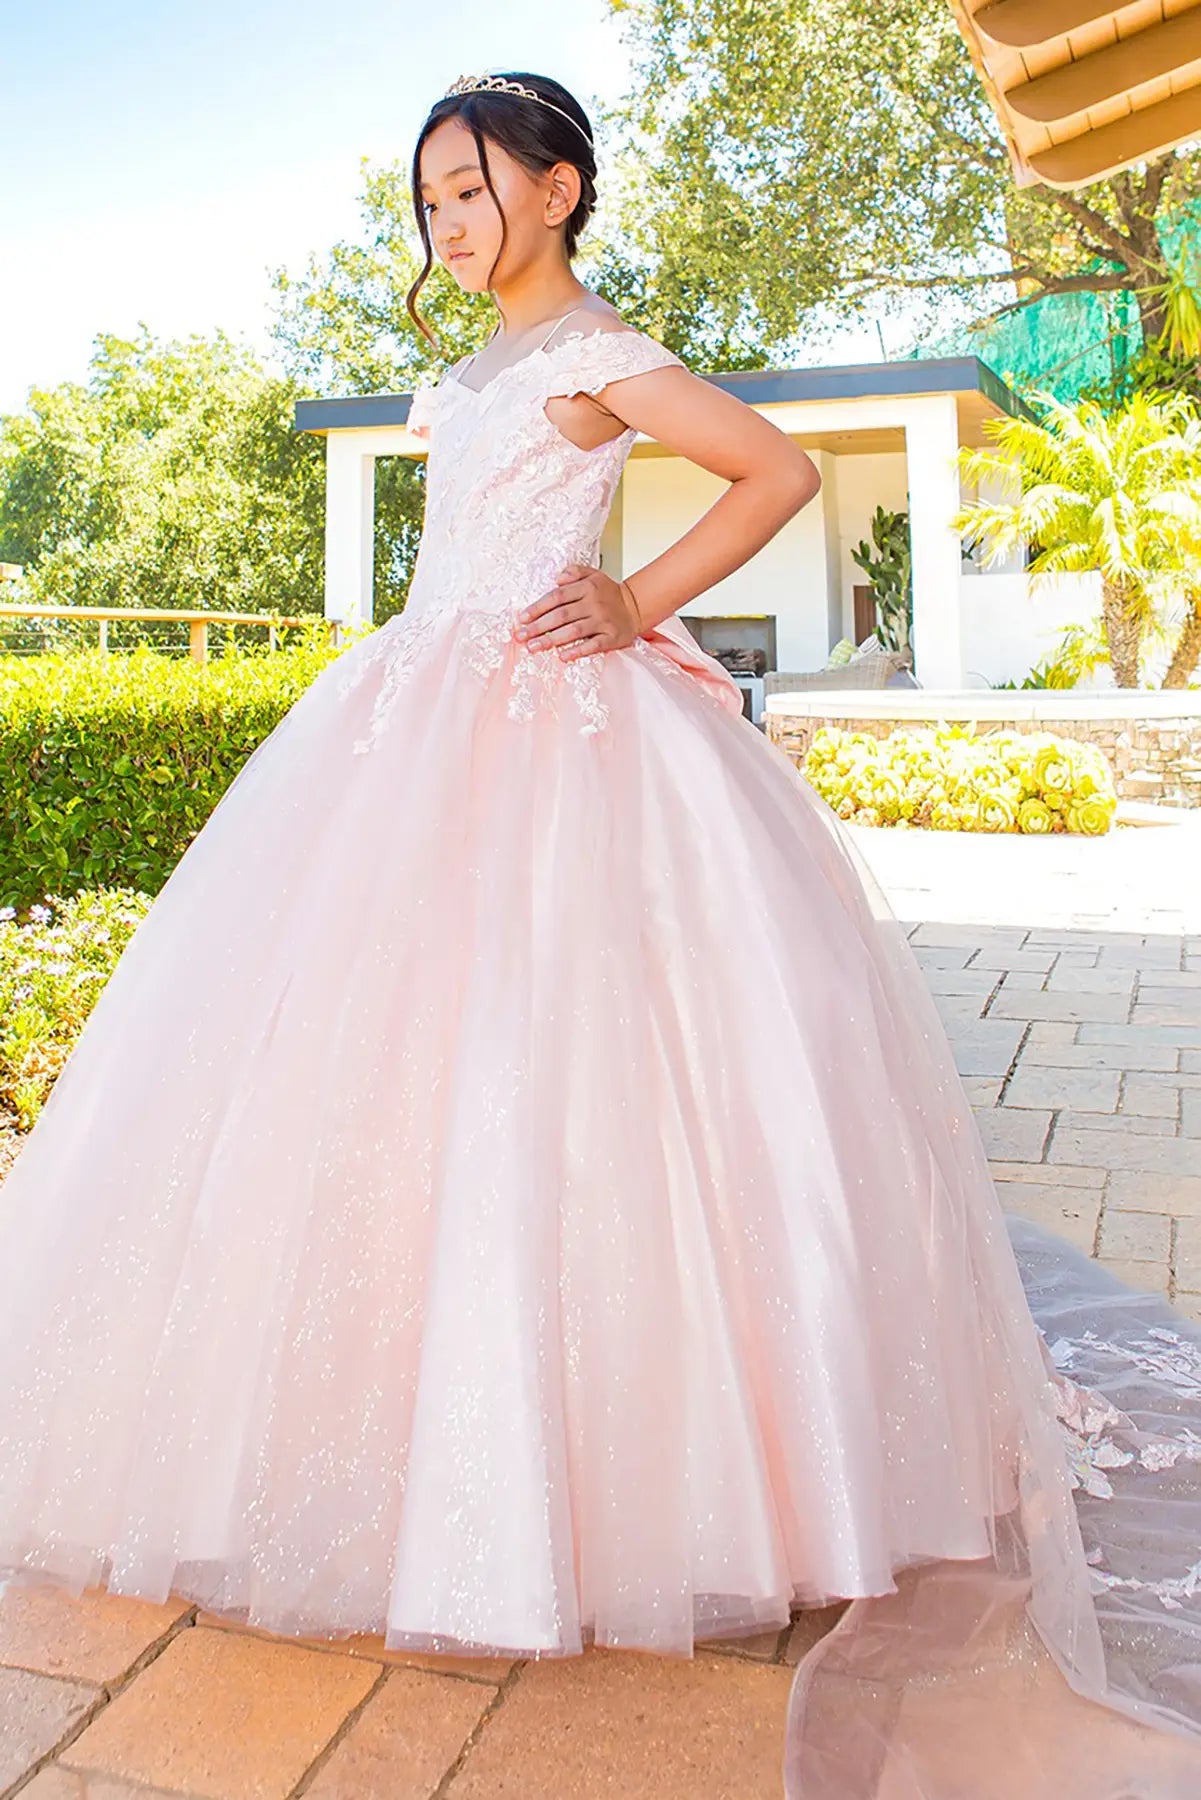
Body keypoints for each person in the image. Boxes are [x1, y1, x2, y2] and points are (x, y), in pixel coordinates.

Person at [2, 68, 1201, 1799]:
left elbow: (773, 467)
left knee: (566, 1084)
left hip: (550, 733)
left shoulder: (588, 353)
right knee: (389, 1080)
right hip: (404, 729)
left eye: (475, 188)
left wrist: (636, 599)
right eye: (429, 200)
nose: (449, 223)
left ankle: (629, 1483)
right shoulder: (469, 369)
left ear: (559, 189)